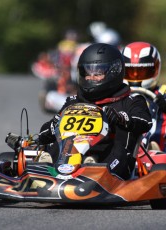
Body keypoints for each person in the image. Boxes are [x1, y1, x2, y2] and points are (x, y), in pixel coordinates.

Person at [38, 43, 152, 180]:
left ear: (113, 72)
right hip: (71, 156)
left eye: (97, 73)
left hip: (113, 164)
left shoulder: (131, 100)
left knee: (122, 132)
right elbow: (44, 134)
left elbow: (146, 122)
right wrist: (54, 125)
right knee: (62, 134)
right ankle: (47, 163)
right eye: (88, 72)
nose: (91, 77)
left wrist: (122, 119)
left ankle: (92, 165)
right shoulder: (74, 101)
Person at [122, 41, 166, 163]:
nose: (136, 76)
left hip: (160, 150)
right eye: (131, 72)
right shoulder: (117, 93)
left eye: (142, 71)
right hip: (122, 147)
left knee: (157, 153)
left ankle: (148, 151)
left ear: (155, 69)